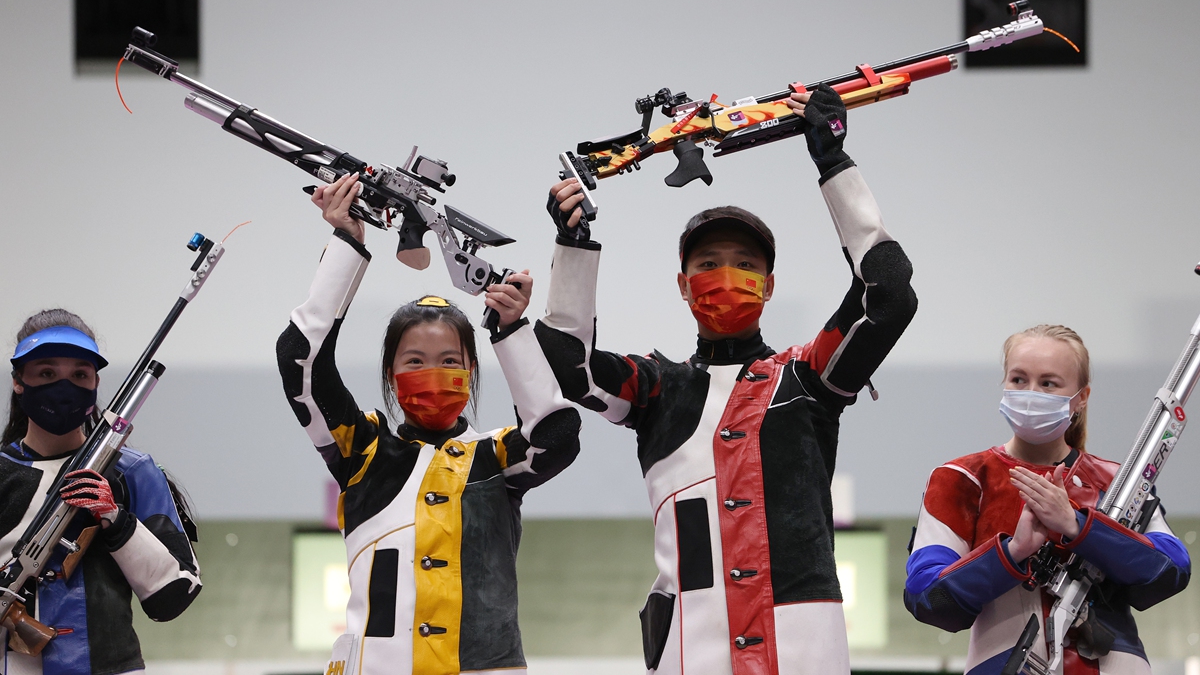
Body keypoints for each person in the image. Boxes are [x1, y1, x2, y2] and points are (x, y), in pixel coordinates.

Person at [537, 85, 918, 674]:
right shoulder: (655, 388)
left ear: (768, 286)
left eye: (746, 265)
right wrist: (573, 243)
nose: (726, 276)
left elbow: (889, 298)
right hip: (692, 651)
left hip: (803, 651)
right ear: (683, 285)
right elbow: (571, 368)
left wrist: (834, 164)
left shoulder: (808, 377)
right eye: (707, 264)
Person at [276, 174, 581, 675]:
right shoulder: (363, 450)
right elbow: (298, 361)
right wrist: (348, 244)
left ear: (471, 372)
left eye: (448, 361)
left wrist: (511, 332)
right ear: (391, 377)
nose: (431, 373)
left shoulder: (498, 457)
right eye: (414, 361)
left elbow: (557, 434)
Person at [904, 324, 1192, 674]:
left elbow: (1172, 570)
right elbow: (927, 597)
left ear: (1081, 397)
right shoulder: (961, 479)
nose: (1031, 393)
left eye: (1049, 383)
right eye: (1019, 380)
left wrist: (1078, 527)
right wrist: (1013, 553)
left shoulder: (1118, 481)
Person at [1, 310, 202, 675]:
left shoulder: (132, 472)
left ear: (95, 384)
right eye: (47, 373)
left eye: (79, 375)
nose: (64, 388)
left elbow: (175, 594)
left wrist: (117, 520)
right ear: (19, 380)